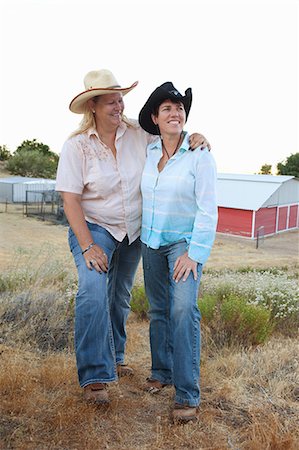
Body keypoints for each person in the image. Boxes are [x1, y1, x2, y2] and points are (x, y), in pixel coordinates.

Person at [55, 69, 210, 405]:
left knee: (120, 296)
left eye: (120, 99)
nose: (119, 106)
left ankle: (116, 357)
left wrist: (195, 136)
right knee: (93, 290)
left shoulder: (139, 135)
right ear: (93, 106)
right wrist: (86, 244)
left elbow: (172, 142)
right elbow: (70, 199)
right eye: (111, 101)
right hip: (95, 227)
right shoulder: (77, 147)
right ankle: (96, 376)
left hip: (134, 232)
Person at [138, 82, 218, 422]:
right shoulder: (149, 150)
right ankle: (162, 371)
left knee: (183, 310)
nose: (176, 113)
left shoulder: (200, 155)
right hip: (150, 241)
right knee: (158, 309)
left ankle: (187, 394)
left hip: (184, 245)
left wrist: (195, 254)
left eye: (180, 108)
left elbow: (208, 209)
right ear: (155, 117)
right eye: (167, 108)